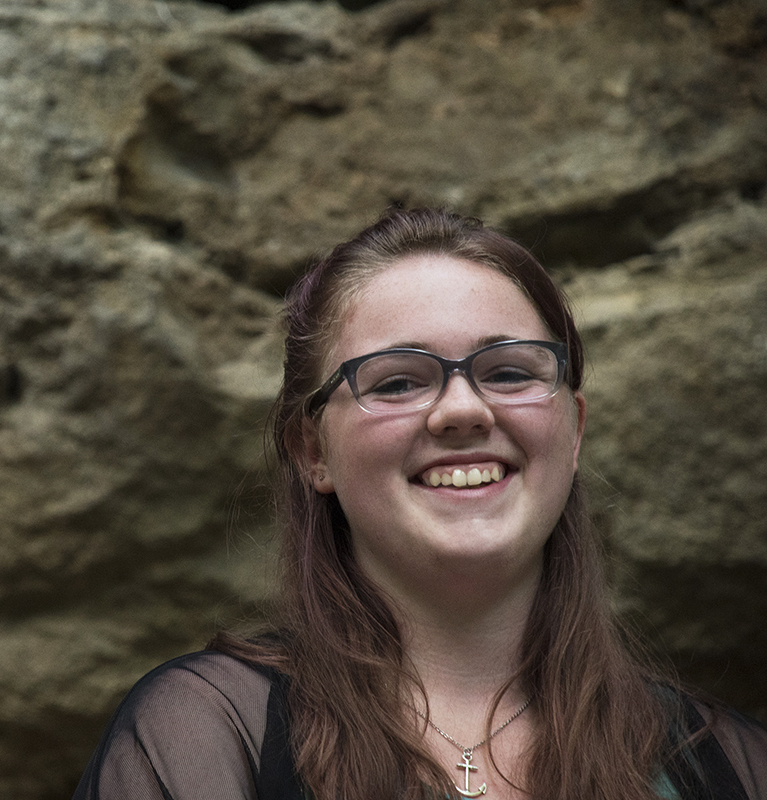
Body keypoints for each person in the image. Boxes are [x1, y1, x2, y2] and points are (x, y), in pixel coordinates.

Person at [72, 208, 767, 800]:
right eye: (399, 381)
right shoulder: (208, 737)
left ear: (574, 429)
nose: (462, 409)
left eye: (508, 372)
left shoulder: (729, 768)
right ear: (313, 451)